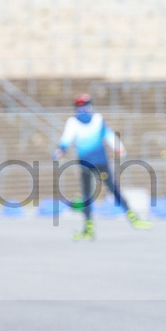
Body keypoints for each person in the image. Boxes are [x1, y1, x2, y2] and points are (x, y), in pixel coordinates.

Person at [52, 93, 151, 239]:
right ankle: (91, 227)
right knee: (94, 194)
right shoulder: (78, 121)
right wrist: (120, 148)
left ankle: (128, 219)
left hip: (97, 162)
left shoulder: (92, 120)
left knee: (108, 190)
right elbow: (67, 139)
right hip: (90, 163)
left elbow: (106, 135)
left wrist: (119, 147)